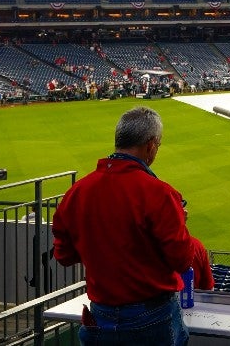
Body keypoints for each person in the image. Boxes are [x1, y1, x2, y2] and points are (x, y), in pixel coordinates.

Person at [52, 106, 194, 345]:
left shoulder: (77, 192)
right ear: (150, 145)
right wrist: (180, 221)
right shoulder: (159, 193)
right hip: (152, 317)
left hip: (100, 315)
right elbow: (182, 259)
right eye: (157, 145)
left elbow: (64, 255)